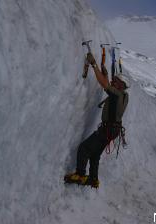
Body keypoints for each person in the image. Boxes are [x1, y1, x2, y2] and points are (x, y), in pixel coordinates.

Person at [64, 53, 129, 188]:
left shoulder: (116, 94)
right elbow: (108, 85)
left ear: (121, 86)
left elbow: (104, 85)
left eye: (116, 81)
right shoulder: (122, 96)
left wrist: (94, 65)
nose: (113, 81)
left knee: (84, 148)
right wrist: (105, 75)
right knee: (94, 155)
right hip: (112, 130)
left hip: (107, 129)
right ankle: (93, 179)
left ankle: (80, 175)